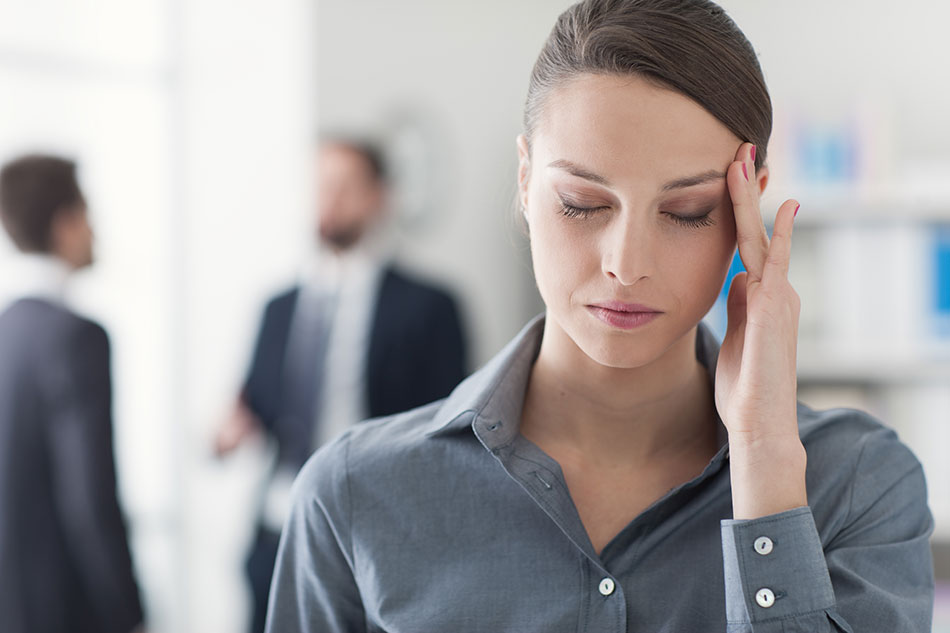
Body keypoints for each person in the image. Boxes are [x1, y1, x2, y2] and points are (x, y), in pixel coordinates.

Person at [267, 2, 935, 631]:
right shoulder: (352, 494)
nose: (626, 263)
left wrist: (764, 468)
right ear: (526, 181)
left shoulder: (859, 484)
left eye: (685, 212)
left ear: (746, 206)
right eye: (583, 203)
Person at [215, 138, 468, 633]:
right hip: (278, 532)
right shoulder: (277, 307)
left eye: (342, 186)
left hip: (383, 537)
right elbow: (254, 403)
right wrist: (231, 428)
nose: (326, 199)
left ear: (380, 197)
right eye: (318, 186)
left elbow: (454, 432)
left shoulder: (430, 307)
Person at [0, 155, 145, 633]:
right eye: (89, 215)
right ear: (65, 224)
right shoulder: (76, 336)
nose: (95, 232)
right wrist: (129, 609)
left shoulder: (8, 331)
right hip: (66, 607)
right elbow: (89, 495)